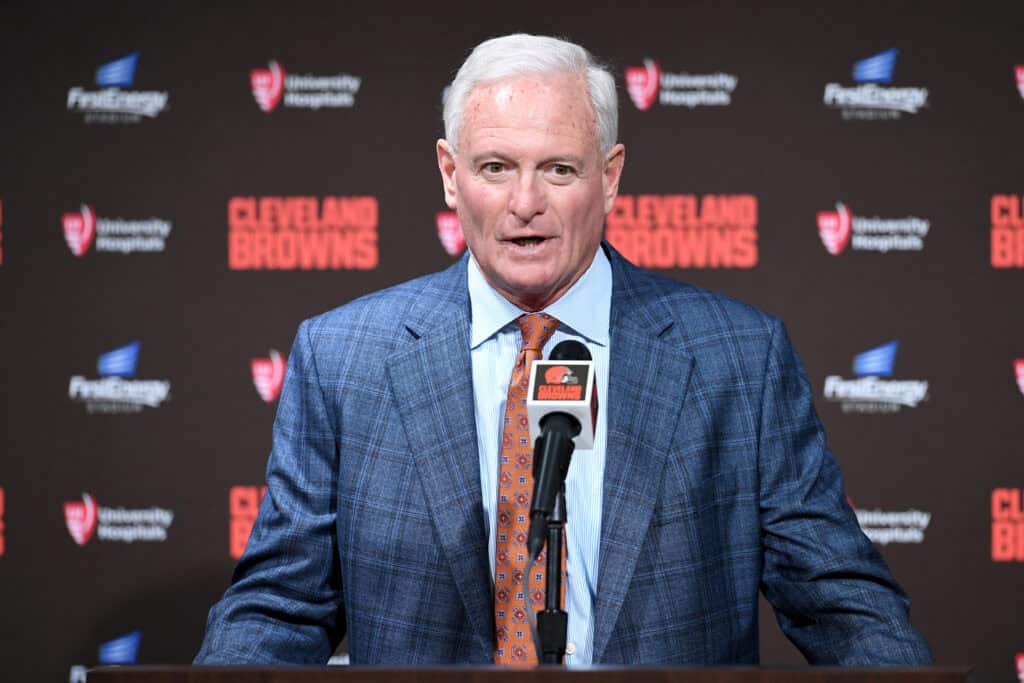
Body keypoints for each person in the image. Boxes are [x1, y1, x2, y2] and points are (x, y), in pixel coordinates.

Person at [195, 33, 931, 666]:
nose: (525, 203)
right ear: (450, 176)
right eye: (495, 168)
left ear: (609, 177)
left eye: (559, 168)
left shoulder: (739, 356)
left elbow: (840, 602)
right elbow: (280, 605)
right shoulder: (342, 357)